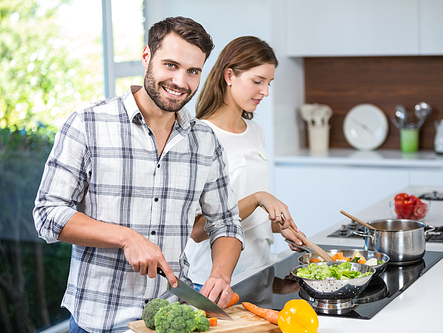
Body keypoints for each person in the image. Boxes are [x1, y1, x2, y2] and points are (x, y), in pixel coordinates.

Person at [32, 17, 288, 333]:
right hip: (99, 321)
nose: (180, 80)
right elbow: (47, 215)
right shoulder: (88, 124)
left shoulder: (203, 140)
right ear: (146, 57)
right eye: (170, 65)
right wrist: (125, 237)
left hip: (171, 318)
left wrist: (220, 275)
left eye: (193, 71)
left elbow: (225, 221)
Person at [185, 36, 305, 292]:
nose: (266, 92)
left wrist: (280, 226)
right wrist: (259, 198)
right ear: (229, 76)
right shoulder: (199, 136)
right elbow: (196, 231)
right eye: (257, 81)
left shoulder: (255, 131)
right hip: (212, 282)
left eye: (269, 83)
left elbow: (253, 215)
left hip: (260, 272)